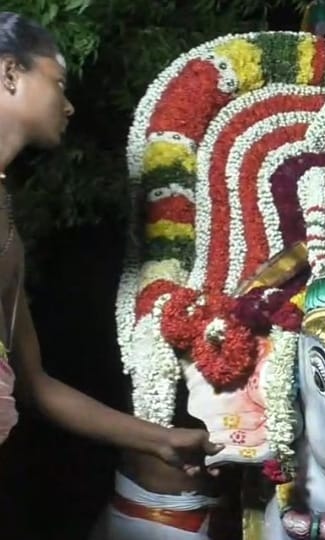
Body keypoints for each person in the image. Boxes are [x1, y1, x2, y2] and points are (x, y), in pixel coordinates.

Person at [0, 7, 225, 519]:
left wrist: (161, 440)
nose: (69, 104)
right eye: (57, 81)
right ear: (10, 74)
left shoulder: (7, 219)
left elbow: (35, 386)